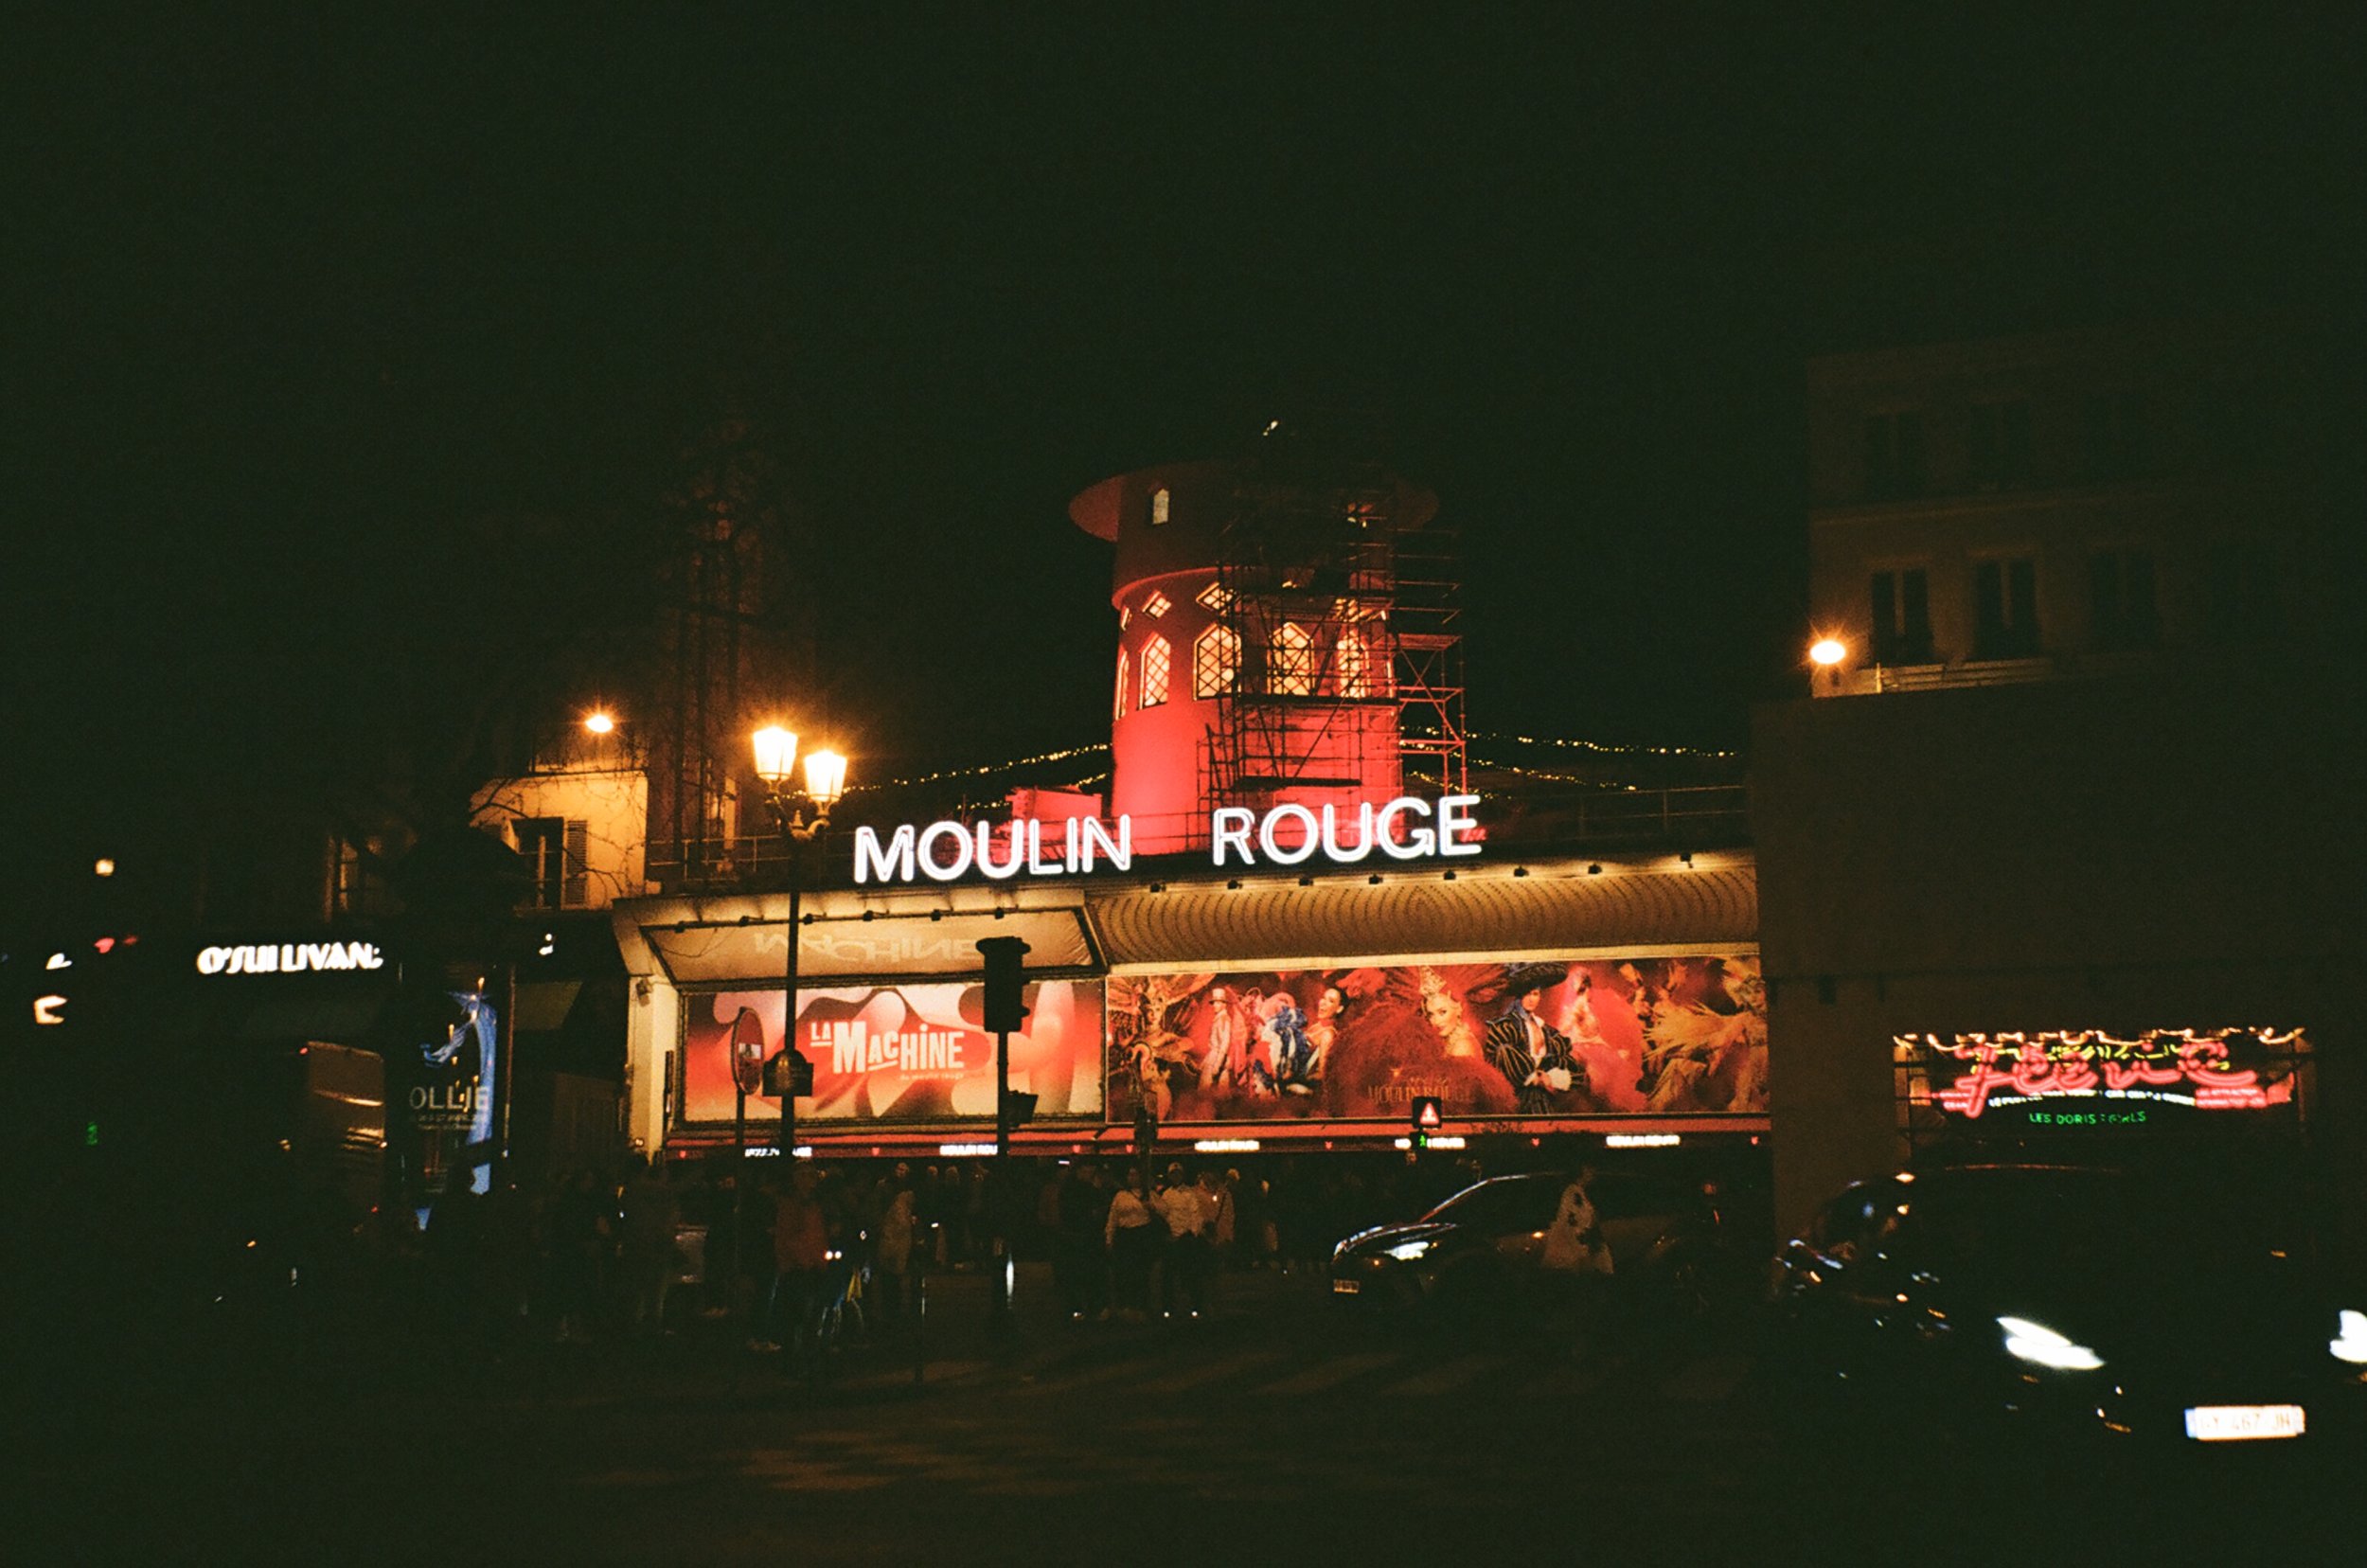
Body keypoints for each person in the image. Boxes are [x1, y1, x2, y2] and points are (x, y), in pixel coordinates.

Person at [1484, 964, 1584, 1114]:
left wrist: (1549, 1078)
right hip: (1515, 1099)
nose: (1531, 999)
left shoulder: (1547, 1031)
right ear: (1519, 996)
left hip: (1544, 1098)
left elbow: (1570, 1067)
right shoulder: (1506, 1026)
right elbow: (1499, 1058)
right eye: (1527, 994)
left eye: (1535, 994)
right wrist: (1532, 1076)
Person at [1156, 1167, 1215, 1317]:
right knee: (1168, 1276)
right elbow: (1163, 1216)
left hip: (1186, 1239)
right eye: (1173, 1174)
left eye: (1178, 1174)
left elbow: (1195, 1215)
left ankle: (1196, 1305)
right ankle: (1168, 1307)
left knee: (1191, 1274)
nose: (1175, 1177)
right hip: (1172, 1239)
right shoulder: (1166, 1195)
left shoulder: (1190, 1194)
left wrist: (1191, 1233)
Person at [1105, 1167, 1158, 1320]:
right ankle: (1125, 1306)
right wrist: (1109, 1238)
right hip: (1124, 1236)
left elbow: (1164, 1210)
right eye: (1130, 1174)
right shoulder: (1120, 1196)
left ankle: (1141, 1306)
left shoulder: (1149, 1195)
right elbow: (1113, 1217)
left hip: (1141, 1235)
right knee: (1123, 1272)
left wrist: (1151, 1208)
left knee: (1140, 1273)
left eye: (1136, 1174)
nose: (1133, 1177)